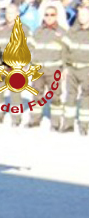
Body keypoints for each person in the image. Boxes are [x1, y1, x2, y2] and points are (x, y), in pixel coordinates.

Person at [26, 0, 67, 129]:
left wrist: (64, 69)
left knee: (55, 97)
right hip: (38, 70)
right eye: (47, 15)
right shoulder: (37, 31)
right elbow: (30, 48)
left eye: (52, 15)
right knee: (36, 95)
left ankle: (55, 123)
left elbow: (66, 53)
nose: (49, 17)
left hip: (54, 70)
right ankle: (34, 120)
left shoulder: (62, 33)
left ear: (56, 16)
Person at [0, 3, 23, 126]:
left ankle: (16, 118)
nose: (9, 15)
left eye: (12, 13)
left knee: (15, 92)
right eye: (7, 13)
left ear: (17, 14)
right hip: (0, 64)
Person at [62, 3, 89, 135]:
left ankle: (84, 125)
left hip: (86, 69)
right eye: (80, 15)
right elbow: (64, 50)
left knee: (86, 97)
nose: (82, 17)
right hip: (72, 69)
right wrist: (65, 67)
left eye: (85, 15)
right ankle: (68, 124)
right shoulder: (72, 31)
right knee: (70, 96)